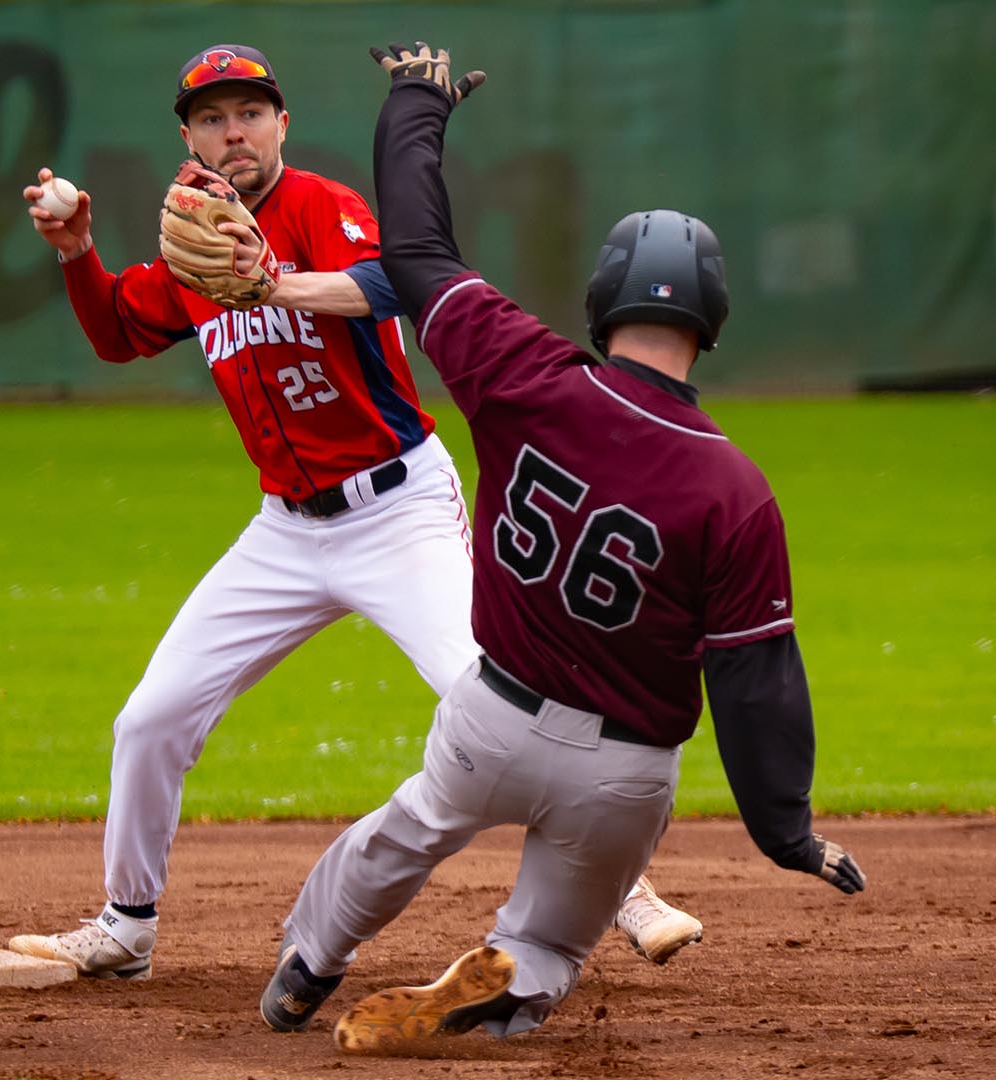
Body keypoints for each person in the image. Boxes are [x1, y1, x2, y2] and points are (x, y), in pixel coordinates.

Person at [5, 42, 702, 981]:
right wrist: (79, 252)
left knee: (486, 688)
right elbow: (121, 332)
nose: (233, 130)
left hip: (396, 510)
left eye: (250, 111)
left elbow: (392, 287)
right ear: (189, 136)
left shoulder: (322, 210)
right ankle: (127, 924)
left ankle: (628, 889)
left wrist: (274, 284)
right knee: (150, 719)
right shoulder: (193, 231)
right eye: (212, 117)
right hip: (286, 531)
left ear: (281, 122)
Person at [255, 43, 868, 1050]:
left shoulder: (525, 370)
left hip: (493, 719)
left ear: (603, 299)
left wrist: (417, 102)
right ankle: (515, 978)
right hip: (625, 771)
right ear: (711, 323)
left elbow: (412, 250)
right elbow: (755, 685)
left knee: (404, 832)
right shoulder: (737, 490)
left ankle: (309, 961)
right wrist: (787, 831)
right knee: (551, 940)